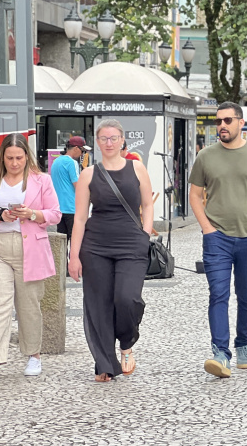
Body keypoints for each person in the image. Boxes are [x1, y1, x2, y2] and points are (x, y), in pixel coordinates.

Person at [189, 102, 247, 378]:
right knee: (218, 294)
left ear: (241, 123)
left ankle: (243, 344)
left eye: (228, 120)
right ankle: (220, 353)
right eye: (218, 122)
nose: (222, 126)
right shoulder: (205, 157)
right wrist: (206, 228)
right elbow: (194, 195)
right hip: (216, 237)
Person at [0, 133, 62, 386]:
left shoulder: (41, 180)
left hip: (30, 248)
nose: (14, 162)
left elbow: (55, 214)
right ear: (3, 158)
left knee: (29, 305)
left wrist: (32, 213)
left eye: (19, 157)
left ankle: (33, 354)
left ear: (26, 156)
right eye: (9, 158)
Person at [69, 119, 154, 382]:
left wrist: (145, 233)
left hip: (132, 244)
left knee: (127, 299)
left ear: (122, 140)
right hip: (96, 246)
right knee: (99, 305)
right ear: (97, 141)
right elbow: (80, 218)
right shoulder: (88, 174)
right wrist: (74, 256)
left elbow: (148, 205)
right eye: (104, 138)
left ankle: (126, 342)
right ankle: (105, 364)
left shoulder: (137, 168)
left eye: (114, 138)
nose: (109, 143)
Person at [50, 136, 90, 242]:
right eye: (82, 151)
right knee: (76, 242)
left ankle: (62, 260)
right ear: (76, 148)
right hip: (72, 208)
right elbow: (78, 186)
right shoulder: (72, 163)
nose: (82, 155)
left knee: (61, 243)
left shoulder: (56, 162)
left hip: (59, 208)